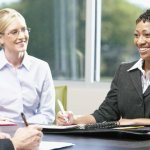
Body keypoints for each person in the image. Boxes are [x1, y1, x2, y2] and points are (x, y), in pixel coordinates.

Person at [57, 9, 150, 126]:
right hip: (126, 143)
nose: (140, 41)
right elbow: (105, 114)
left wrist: (136, 121)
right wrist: (74, 120)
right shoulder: (124, 71)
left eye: (147, 35)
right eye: (136, 35)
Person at [0, 8, 55, 124]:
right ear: (1, 38)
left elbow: (47, 114)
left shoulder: (42, 68)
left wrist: (25, 125)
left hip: (32, 133)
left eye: (24, 30)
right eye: (14, 32)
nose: (22, 36)